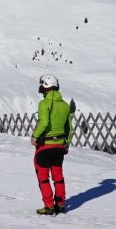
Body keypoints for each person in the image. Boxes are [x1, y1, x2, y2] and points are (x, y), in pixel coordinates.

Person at [32, 73, 71, 215]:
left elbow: (44, 122)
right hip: (60, 145)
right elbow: (69, 128)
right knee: (58, 176)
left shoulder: (44, 104)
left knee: (43, 176)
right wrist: (67, 143)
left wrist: (35, 136)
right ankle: (60, 204)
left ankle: (49, 206)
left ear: (44, 87)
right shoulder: (65, 106)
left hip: (45, 145)